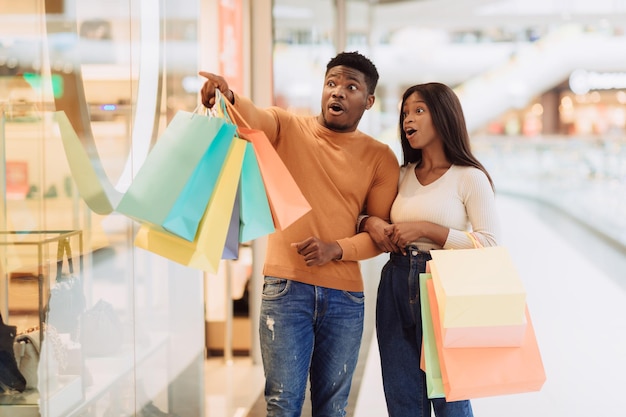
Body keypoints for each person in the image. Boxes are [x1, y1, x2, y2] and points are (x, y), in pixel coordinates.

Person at [199, 51, 400, 417]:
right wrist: (228, 97)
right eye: (331, 84)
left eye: (350, 87)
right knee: (282, 402)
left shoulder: (380, 157)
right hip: (286, 289)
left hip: (345, 298)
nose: (337, 93)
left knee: (333, 407)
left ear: (368, 101)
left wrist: (335, 249)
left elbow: (380, 236)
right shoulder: (287, 126)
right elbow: (254, 118)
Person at [358, 82, 500, 417]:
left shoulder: (469, 177)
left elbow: (490, 244)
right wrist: (370, 223)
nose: (409, 119)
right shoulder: (401, 174)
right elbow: (365, 215)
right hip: (395, 282)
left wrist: (426, 229)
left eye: (419, 110)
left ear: (444, 116)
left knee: (449, 398)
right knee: (403, 400)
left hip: (443, 287)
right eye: (405, 112)